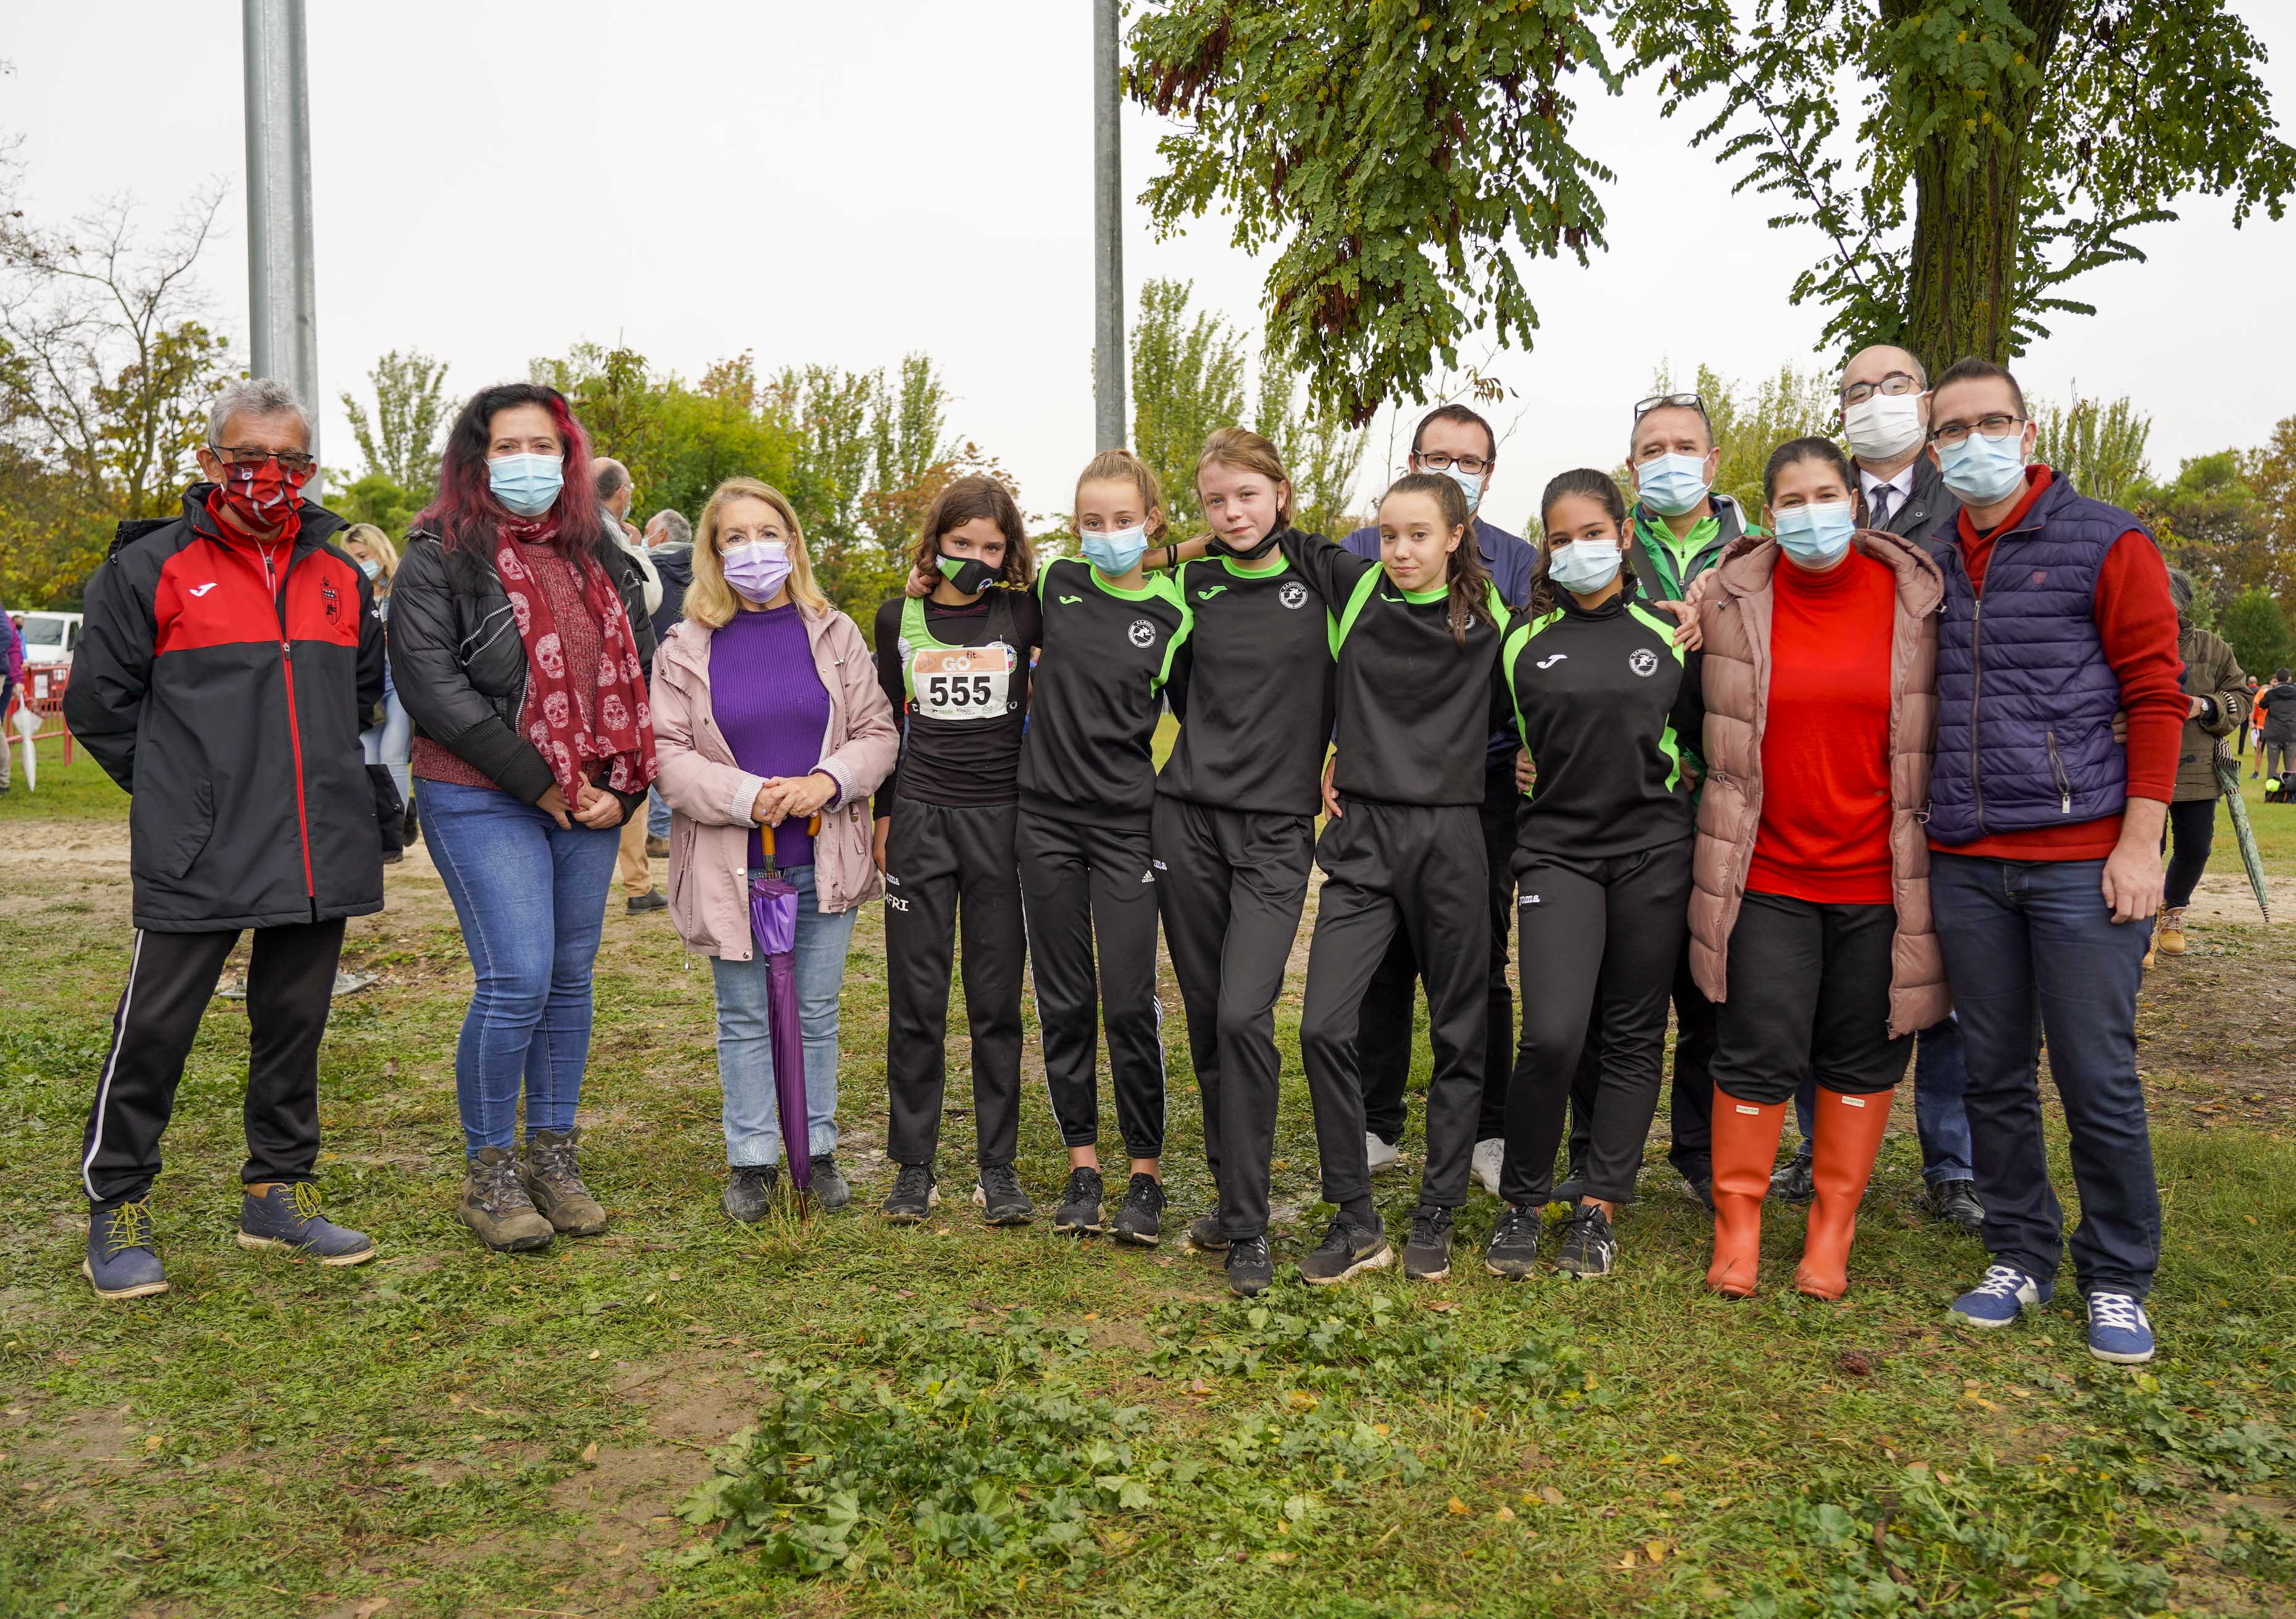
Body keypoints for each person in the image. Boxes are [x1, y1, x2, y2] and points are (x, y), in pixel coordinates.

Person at [64, 377, 383, 1298]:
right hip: (197, 846)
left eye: (288, 460)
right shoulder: (148, 569)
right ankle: (118, 1200)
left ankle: (277, 1190)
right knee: (156, 1027)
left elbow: (362, 694)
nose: (267, 475)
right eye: (248, 457)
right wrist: (184, 796)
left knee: (294, 1022)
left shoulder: (341, 575)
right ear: (211, 461)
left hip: (315, 841)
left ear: (309, 469)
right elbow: (98, 705)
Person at [1918, 358, 2185, 1365]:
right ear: (1934, 450)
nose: (1973, 442)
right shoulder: (1929, 560)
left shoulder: (2105, 540)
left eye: (1991, 422)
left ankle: (2116, 1272)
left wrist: (2140, 841)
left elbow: (2154, 694)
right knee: (1991, 1073)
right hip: (1966, 856)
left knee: (2094, 1073)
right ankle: (2019, 1250)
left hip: (2081, 855)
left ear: (2027, 433)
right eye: (1953, 429)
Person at [392, 383, 659, 1254]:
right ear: (475, 459)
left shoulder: (602, 553)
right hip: (479, 790)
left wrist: (623, 789)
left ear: (569, 458)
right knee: (517, 976)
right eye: (506, 447)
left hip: (589, 797)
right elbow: (432, 685)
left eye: (542, 446)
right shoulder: (438, 552)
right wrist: (540, 781)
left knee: (569, 978)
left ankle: (553, 1158)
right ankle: (491, 1173)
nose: (526, 462)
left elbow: (640, 674)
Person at [1687, 437, 1949, 1299]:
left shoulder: (1915, 598)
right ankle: (1738, 1227)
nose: (1811, 514)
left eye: (1826, 495)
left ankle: (1832, 1229)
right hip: (1766, 872)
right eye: (1792, 501)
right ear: (1767, 515)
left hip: (1880, 875)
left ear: (1856, 502)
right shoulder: (1726, 599)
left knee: (1861, 1051)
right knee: (1756, 1046)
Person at [1770, 344, 1982, 1233]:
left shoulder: (1966, 500)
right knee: (1829, 985)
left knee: (1946, 984)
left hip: (1944, 777)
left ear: (1923, 401)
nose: (1876, 400)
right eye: (1858, 389)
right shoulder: (1809, 504)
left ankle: (1953, 1162)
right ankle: (1817, 1146)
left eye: (1894, 386)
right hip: (1840, 788)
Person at [652, 478, 897, 1218]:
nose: (753, 549)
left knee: (815, 1009)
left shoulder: (834, 631)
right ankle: (753, 1158)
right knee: (745, 1014)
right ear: (713, 551)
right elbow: (668, 753)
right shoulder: (684, 647)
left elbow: (877, 731)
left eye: (767, 533)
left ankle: (815, 1147)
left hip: (823, 853)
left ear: (791, 543)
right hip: (732, 863)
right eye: (735, 537)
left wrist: (828, 781)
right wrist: (746, 795)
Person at [1483, 469, 1704, 1282]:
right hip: (1557, 853)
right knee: (1552, 1033)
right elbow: (1498, 735)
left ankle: (1599, 1207)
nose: (1578, 549)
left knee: (1633, 1033)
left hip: (1653, 852)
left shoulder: (1670, 633)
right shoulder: (1522, 640)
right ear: (1545, 548)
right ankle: (1521, 1198)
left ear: (1623, 533)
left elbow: (1694, 738)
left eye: (1592, 533)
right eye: (1560, 538)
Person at [1288, 473, 1507, 1285]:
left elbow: (1566, 669)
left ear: (1456, 535)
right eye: (1388, 534)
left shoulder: (1492, 616)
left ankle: (1438, 1207)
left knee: (1459, 1032)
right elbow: (1263, 529)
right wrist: (1168, 554)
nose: (1401, 550)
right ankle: (1355, 1216)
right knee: (1322, 1026)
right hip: (1363, 836)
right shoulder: (1355, 589)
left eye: (1418, 534)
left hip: (1451, 838)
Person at [1145, 427, 1337, 1296]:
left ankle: (1253, 1227)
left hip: (1275, 830)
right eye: (1215, 500)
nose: (1231, 513)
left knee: (1242, 1013)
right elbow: (1176, 680)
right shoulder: (1191, 582)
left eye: (1247, 495)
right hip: (1186, 819)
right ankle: (1234, 1202)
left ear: (1281, 493)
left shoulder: (1323, 575)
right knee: (1203, 1016)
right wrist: (1188, 546)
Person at [1340, 405, 1541, 1198]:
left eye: (1470, 460)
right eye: (1437, 456)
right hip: (1384, 790)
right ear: (1412, 461)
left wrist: (1525, 743)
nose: (1454, 469)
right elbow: (1339, 655)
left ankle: (1488, 1127)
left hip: (1478, 792)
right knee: (1383, 959)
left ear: (1488, 474)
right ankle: (1376, 1120)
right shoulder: (1366, 549)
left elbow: (1534, 662)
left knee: (1479, 965)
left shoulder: (1518, 561)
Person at [1020, 451, 1190, 1244]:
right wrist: (920, 585)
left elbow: (1204, 718)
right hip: (1044, 824)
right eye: (1092, 521)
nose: (1107, 533)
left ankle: (1144, 1173)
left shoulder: (1174, 615)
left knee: (1127, 1000)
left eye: (1123, 519)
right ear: (1075, 526)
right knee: (1063, 999)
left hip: (1127, 827)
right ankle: (1083, 1166)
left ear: (1149, 520)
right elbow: (981, 616)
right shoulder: (1056, 583)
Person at [1609, 392, 1765, 1207]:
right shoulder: (1605, 541)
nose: (1666, 460)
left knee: (1716, 981)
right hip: (1630, 793)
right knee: (1623, 980)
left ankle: (1700, 1151)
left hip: (1731, 794)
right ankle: (1604, 1149)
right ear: (1631, 467)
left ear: (1712, 461)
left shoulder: (1757, 549)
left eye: (1683, 446)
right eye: (1651, 449)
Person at [873, 477, 1043, 1227]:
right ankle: (914, 1166)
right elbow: (886, 720)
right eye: (960, 542)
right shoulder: (896, 615)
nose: (974, 556)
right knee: (917, 997)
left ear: (1009, 552)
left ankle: (996, 1167)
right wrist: (884, 815)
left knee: (995, 999)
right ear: (935, 541)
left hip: (1001, 820)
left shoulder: (1022, 611)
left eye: (991, 546)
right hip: (920, 816)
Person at [2149, 571, 2246, 965]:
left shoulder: (2213, 647)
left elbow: (2241, 696)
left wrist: (2205, 705)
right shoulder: (2129, 640)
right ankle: (2142, 927)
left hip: (2197, 770)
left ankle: (2172, 913)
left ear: (2178, 604)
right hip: (2139, 768)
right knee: (2146, 848)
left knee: (2195, 849)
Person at [597, 461, 667, 914]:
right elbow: (647, 599)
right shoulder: (609, 535)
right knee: (628, 768)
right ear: (621, 492)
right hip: (617, 676)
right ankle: (638, 885)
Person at [341, 525, 413, 861]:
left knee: (393, 756)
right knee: (369, 760)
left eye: (363, 556)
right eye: (352, 558)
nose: (359, 564)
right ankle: (392, 821)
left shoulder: (404, 586)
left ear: (379, 551)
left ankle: (393, 837)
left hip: (400, 684)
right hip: (369, 685)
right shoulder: (350, 592)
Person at [644, 508, 695, 855]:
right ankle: (674, 827)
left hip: (652, 671)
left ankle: (659, 830)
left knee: (659, 745)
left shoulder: (647, 572)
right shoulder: (705, 572)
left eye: (649, 530)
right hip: (696, 674)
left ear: (660, 535)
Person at [0, 602, 23, 794]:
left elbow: (13, 647)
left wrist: (16, 679)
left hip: (6, 678)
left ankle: (3, 779)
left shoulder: (5, 624)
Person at [2261, 668, 2296, 784]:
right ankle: (2290, 790)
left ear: (2277, 679)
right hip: (2291, 733)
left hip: (2274, 733)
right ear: (2289, 678)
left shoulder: (2272, 694)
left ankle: (2271, 790)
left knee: (2272, 765)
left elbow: (2262, 705)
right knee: (2290, 766)